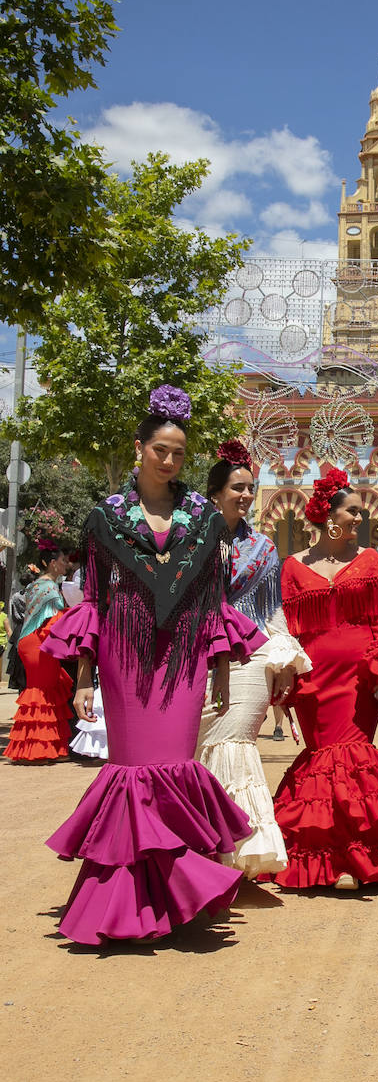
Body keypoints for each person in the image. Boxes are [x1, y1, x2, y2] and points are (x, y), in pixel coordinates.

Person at [41, 387, 266, 946]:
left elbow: (212, 601)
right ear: (140, 448)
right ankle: (131, 904)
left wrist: (220, 671)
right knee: (132, 770)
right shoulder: (106, 517)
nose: (168, 460)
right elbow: (94, 599)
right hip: (123, 656)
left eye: (179, 453)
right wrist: (85, 679)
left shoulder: (204, 517)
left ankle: (173, 898)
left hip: (184, 658)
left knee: (174, 768)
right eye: (160, 449)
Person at [271, 467, 378, 890]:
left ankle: (351, 859)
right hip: (312, 677)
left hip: (359, 677)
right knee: (321, 755)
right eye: (353, 512)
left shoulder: (371, 561)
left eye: (361, 512)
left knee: (351, 755)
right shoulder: (292, 567)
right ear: (329, 516)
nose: (360, 519)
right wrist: (285, 672)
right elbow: (288, 629)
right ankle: (330, 856)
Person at [195, 440, 310, 878]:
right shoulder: (189, 543)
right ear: (215, 493)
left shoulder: (262, 548)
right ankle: (202, 852)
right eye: (237, 488)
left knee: (235, 742)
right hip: (197, 659)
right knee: (198, 750)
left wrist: (282, 659)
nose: (245, 495)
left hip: (250, 657)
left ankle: (236, 855)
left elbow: (272, 610)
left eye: (250, 488)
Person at [4, 540, 73, 762]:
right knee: (42, 691)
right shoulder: (50, 587)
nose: (66, 564)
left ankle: (46, 747)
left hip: (30, 640)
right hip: (40, 641)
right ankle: (37, 750)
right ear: (52, 563)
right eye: (63, 560)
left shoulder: (36, 585)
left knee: (45, 689)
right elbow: (55, 619)